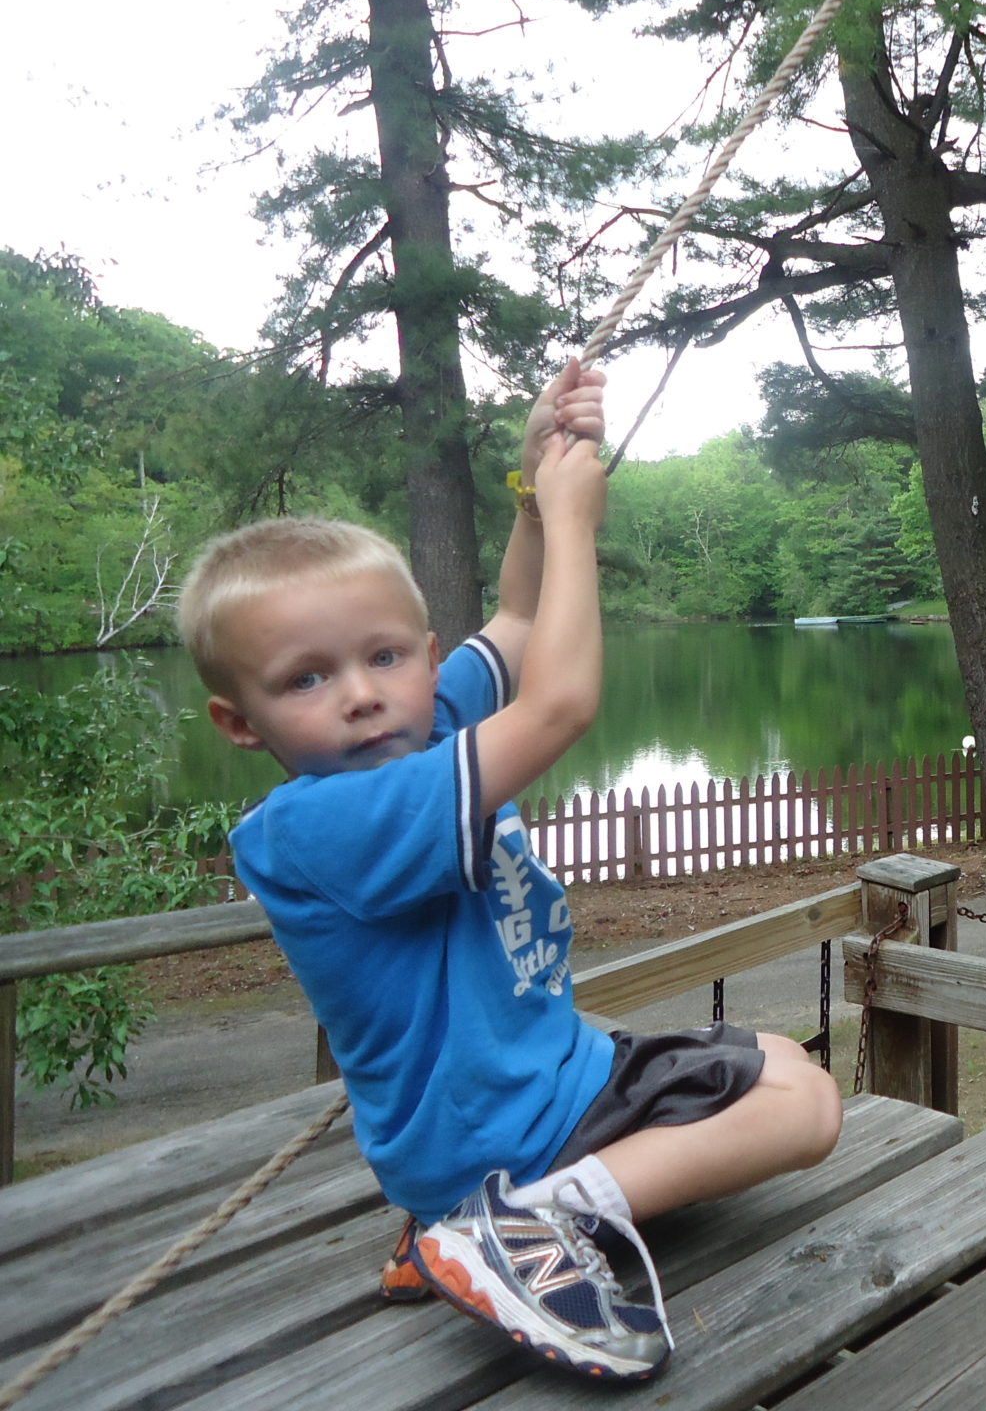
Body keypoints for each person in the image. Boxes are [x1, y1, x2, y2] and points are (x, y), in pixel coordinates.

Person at [177, 361, 842, 1382]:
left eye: (385, 656)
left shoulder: (425, 722)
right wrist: (576, 523)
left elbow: (522, 623)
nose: (362, 695)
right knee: (806, 1112)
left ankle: (456, 1228)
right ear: (239, 722)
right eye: (306, 678)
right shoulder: (321, 821)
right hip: (506, 1131)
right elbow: (558, 703)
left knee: (779, 1056)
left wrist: (536, 485)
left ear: (423, 651)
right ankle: (517, 1227)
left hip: (545, 1086)